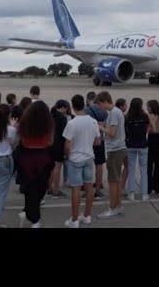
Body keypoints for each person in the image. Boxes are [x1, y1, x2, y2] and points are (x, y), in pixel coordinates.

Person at [15, 101, 54, 228]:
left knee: (29, 189)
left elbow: (19, 139)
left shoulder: (23, 124)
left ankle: (27, 213)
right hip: (42, 158)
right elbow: (50, 142)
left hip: (26, 158)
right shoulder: (48, 125)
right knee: (40, 189)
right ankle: (34, 219)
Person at [63, 94, 100, 228]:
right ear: (84, 104)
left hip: (75, 159)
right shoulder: (93, 121)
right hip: (89, 157)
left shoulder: (71, 123)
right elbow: (97, 141)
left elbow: (67, 145)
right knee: (89, 187)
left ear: (72, 107)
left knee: (76, 189)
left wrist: (67, 156)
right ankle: (87, 216)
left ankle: (74, 220)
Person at [96, 91, 127, 219]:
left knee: (113, 181)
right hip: (118, 149)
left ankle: (112, 208)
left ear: (104, 101)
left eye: (99, 104)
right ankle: (118, 205)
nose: (99, 107)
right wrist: (104, 125)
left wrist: (100, 127)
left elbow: (112, 133)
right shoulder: (115, 112)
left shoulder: (114, 113)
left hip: (115, 150)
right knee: (117, 180)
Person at [125, 98, 150, 201]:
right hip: (142, 144)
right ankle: (144, 193)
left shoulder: (127, 117)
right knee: (143, 170)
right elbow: (148, 128)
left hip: (131, 144)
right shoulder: (144, 116)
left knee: (131, 169)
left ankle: (131, 193)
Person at [85, 91, 108, 199]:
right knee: (99, 165)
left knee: (87, 166)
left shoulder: (86, 111)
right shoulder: (103, 111)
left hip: (88, 141)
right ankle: (98, 189)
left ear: (88, 100)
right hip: (100, 140)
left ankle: (87, 189)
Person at [48, 100, 69, 198]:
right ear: (64, 108)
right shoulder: (62, 118)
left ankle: (50, 188)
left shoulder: (50, 115)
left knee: (51, 168)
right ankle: (56, 189)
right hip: (59, 144)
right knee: (57, 167)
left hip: (50, 144)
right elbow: (65, 134)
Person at [146, 99, 159, 196]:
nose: (147, 108)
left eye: (148, 106)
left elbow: (148, 130)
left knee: (149, 164)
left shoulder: (148, 117)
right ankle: (158, 187)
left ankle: (148, 187)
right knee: (158, 164)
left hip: (151, 139)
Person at [115, 98, 130, 192]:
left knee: (118, 167)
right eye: (125, 105)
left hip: (116, 145)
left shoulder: (114, 115)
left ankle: (118, 186)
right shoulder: (123, 117)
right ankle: (121, 186)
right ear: (121, 106)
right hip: (123, 144)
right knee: (127, 166)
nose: (126, 106)